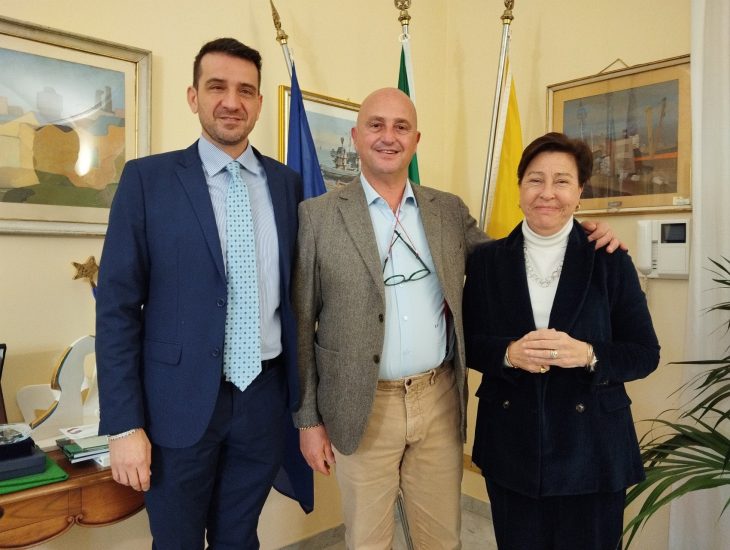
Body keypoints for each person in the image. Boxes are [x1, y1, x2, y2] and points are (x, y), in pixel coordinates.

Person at [293, 89, 620, 548]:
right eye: (376, 125)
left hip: (439, 399)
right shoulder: (318, 216)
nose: (388, 137)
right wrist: (308, 421)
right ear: (356, 135)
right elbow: (301, 322)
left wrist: (577, 234)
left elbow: (509, 259)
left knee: (442, 539)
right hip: (361, 405)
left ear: (416, 139)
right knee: (367, 540)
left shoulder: (446, 209)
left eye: (401, 127)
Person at [96, 38, 311, 549]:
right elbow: (117, 309)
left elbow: (297, 298)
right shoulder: (147, 180)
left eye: (245, 90)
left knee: (240, 539)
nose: (231, 102)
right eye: (217, 87)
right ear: (193, 96)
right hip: (176, 405)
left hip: (262, 400)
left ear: (259, 102)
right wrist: (124, 426)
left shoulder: (287, 185)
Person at [463, 132, 660, 550]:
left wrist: (588, 354)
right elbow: (467, 342)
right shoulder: (486, 261)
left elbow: (645, 353)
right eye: (535, 180)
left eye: (562, 181)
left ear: (580, 191)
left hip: (593, 449)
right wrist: (507, 353)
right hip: (511, 445)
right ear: (520, 189)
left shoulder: (609, 258)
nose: (547, 193)